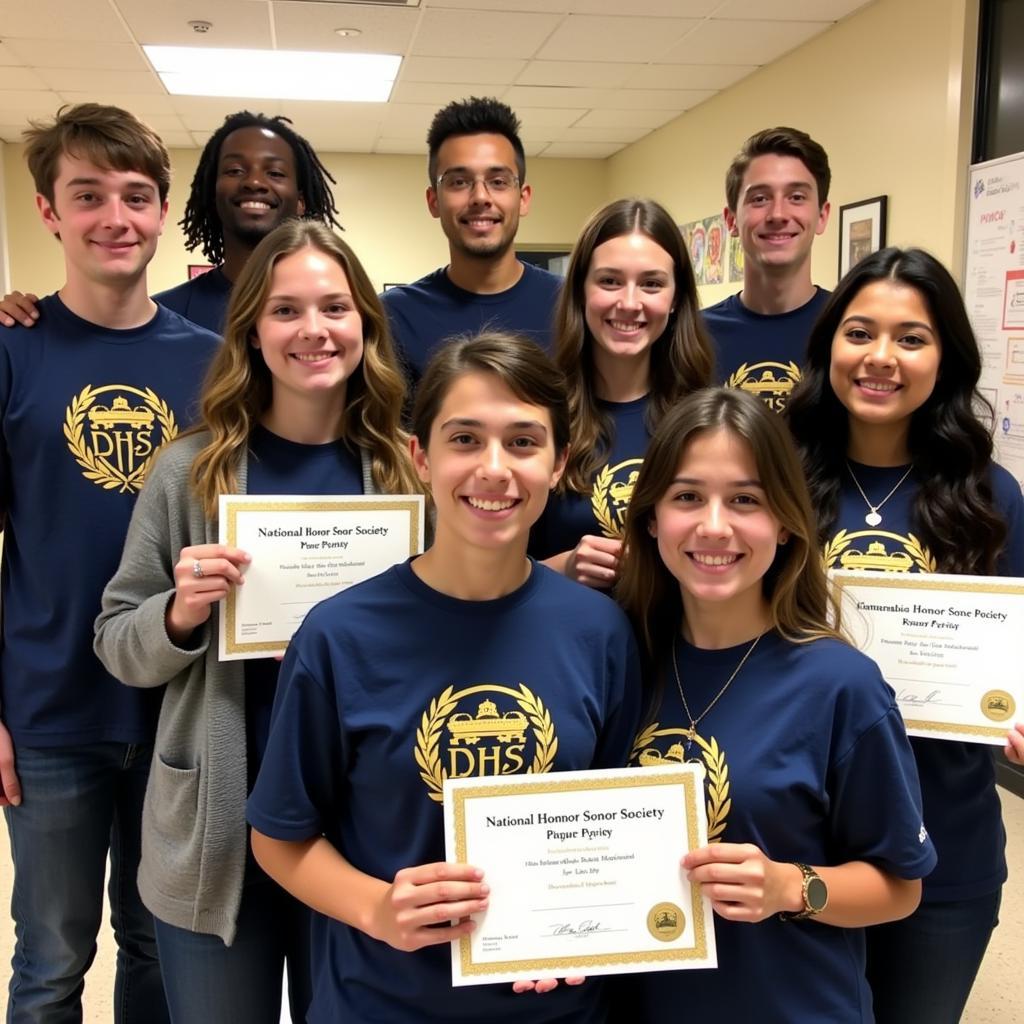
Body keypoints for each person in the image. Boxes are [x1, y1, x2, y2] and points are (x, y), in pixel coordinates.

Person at [246, 333, 641, 1023]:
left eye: (523, 442)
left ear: (559, 465)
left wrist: (598, 924)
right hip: (384, 1003)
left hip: (558, 1012)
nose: (494, 469)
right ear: (419, 457)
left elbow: (622, 826)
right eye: (465, 440)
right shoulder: (339, 636)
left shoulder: (600, 632)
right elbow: (280, 837)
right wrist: (376, 908)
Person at [91, 219, 417, 1023]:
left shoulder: (405, 474)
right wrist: (179, 612)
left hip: (356, 832)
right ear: (253, 331)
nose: (314, 331)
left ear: (365, 327)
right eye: (286, 311)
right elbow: (116, 643)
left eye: (336, 308)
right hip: (217, 826)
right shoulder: (188, 472)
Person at [613, 386, 935, 1022]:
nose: (713, 526)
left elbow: (901, 887)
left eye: (745, 500)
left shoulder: (842, 684)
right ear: (652, 519)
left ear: (785, 521)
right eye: (686, 497)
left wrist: (792, 885)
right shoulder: (615, 660)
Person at [0, 103, 220, 1023]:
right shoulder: (12, 349)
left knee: (156, 948)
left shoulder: (214, 365)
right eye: (87, 195)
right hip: (48, 708)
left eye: (136, 196)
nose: (115, 218)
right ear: (49, 209)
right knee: (51, 959)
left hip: (177, 707)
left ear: (163, 210)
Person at [786, 246, 1024, 1024]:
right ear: (829, 348)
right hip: (800, 833)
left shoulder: (992, 495)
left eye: (911, 338)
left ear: (945, 356)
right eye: (859, 333)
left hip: (944, 837)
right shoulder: (777, 475)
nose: (881, 357)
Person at [0, 110, 340, 334]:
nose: (254, 182)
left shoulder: (345, 315)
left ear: (301, 200)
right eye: (234, 171)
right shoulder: (170, 319)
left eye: (276, 173)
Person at [530, 198, 713, 588]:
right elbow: (487, 570)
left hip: (682, 645)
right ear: (580, 290)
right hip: (568, 639)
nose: (629, 303)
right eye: (610, 281)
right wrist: (563, 568)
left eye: (651, 284)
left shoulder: (707, 420)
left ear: (676, 297)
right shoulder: (539, 413)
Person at [382, 97, 561, 388]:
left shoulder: (571, 307)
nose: (480, 196)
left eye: (499, 181)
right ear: (433, 201)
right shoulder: (394, 317)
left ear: (523, 198)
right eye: (459, 182)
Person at [703, 127, 832, 413]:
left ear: (822, 216)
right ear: (731, 220)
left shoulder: (848, 328)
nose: (777, 215)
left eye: (796, 197)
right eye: (759, 199)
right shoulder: (695, 336)